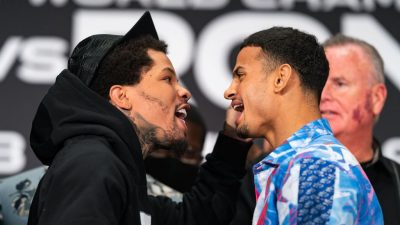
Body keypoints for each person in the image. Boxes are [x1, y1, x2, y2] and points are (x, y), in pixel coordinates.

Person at [27, 11, 252, 225]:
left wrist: (234, 138)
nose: (184, 92)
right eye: (167, 79)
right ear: (122, 96)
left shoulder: (113, 168)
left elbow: (195, 218)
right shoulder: (91, 165)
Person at [224, 27, 383, 224]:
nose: (229, 91)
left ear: (281, 78)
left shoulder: (315, 167)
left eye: (241, 75)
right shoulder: (304, 163)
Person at [321, 34, 400, 224]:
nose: (323, 95)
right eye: (318, 84)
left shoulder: (397, 184)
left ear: (376, 99)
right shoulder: (270, 177)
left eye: (339, 84)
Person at [145, 105, 207, 198]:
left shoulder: (208, 206)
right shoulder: (123, 191)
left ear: (199, 159)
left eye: (187, 152)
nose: (172, 157)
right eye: (163, 147)